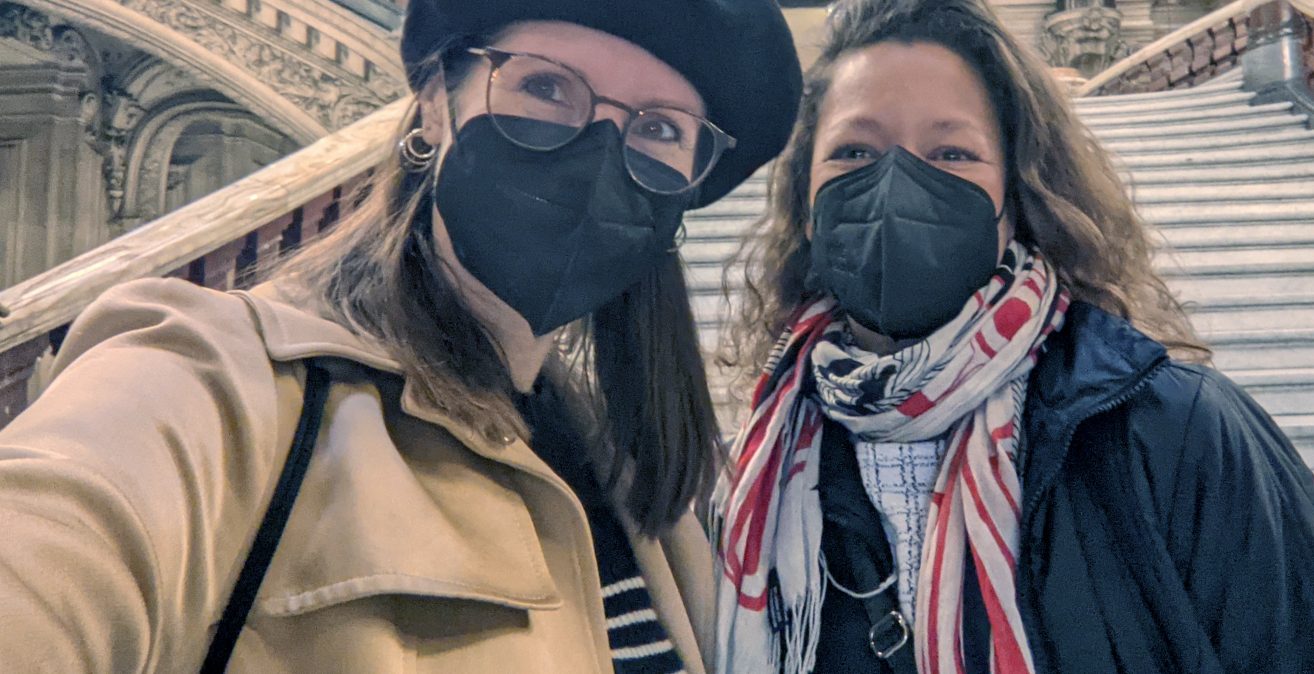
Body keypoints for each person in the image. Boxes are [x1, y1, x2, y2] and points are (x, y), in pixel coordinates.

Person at [0, 1, 802, 671]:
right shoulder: (217, 378)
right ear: (432, 106)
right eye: (547, 87)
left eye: (660, 129)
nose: (596, 151)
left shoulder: (632, 470)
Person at [710, 1, 1314, 673]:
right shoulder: (758, 475)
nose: (897, 185)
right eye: (854, 152)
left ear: (1017, 192)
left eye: (952, 153)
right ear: (807, 200)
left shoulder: (1172, 429)